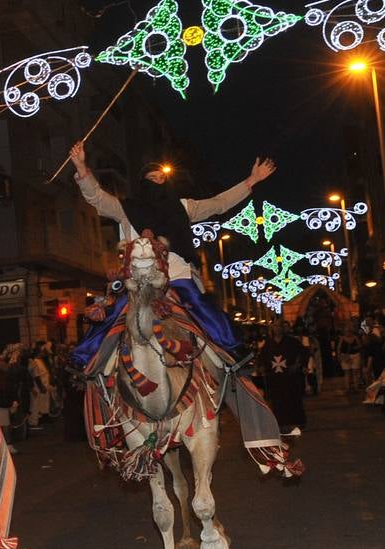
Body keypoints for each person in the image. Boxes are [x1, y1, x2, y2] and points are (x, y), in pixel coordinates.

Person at [68, 142, 276, 363]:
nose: (157, 183)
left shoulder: (184, 207)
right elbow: (96, 197)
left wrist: (251, 181)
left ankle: (234, 354)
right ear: (142, 184)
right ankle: (86, 362)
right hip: (138, 284)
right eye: (152, 179)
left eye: (161, 179)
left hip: (177, 278)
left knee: (203, 309)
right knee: (112, 316)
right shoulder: (126, 209)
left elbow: (219, 203)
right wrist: (81, 167)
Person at [256, 319, 308, 434]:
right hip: (275, 377)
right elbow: (262, 357)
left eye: (279, 326)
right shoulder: (268, 343)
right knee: (277, 400)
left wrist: (298, 365)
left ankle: (297, 421)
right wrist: (261, 367)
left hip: (290, 376)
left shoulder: (292, 342)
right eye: (275, 326)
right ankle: (280, 423)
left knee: (293, 397)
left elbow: (303, 352)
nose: (277, 328)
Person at [335, 321, 363, 394]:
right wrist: (339, 356)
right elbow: (338, 348)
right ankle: (347, 388)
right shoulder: (342, 338)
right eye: (347, 331)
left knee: (355, 372)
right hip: (345, 356)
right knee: (347, 372)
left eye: (349, 331)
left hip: (355, 355)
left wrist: (355, 347)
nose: (348, 332)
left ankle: (356, 387)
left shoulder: (355, 337)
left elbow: (360, 346)